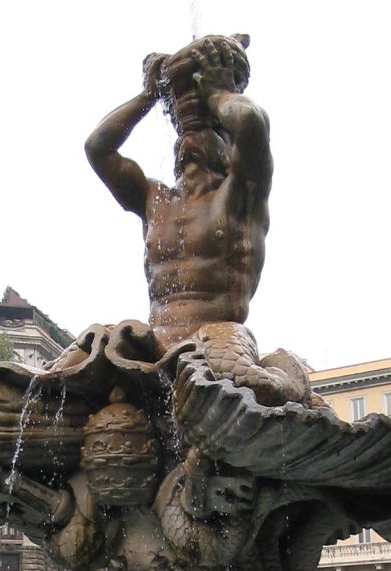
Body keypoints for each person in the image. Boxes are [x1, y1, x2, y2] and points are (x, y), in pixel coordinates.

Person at [85, 34, 309, 407]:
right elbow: (98, 148)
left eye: (203, 133)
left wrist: (219, 92)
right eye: (183, 137)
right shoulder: (154, 200)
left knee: (249, 389)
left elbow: (251, 121)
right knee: (73, 365)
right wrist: (148, 97)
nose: (186, 142)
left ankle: (286, 377)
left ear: (227, 147)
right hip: (150, 345)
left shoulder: (241, 196)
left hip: (217, 338)